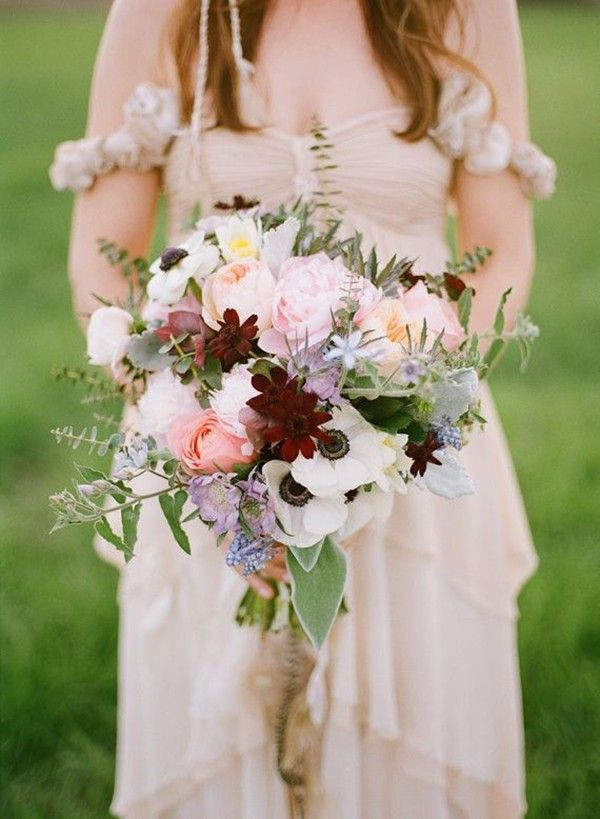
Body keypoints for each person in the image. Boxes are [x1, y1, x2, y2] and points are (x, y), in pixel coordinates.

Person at [50, 0, 556, 816]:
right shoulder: (161, 12)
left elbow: (502, 251)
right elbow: (101, 268)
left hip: (415, 462)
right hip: (204, 462)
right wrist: (210, 451)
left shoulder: (468, 11)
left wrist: (398, 407)